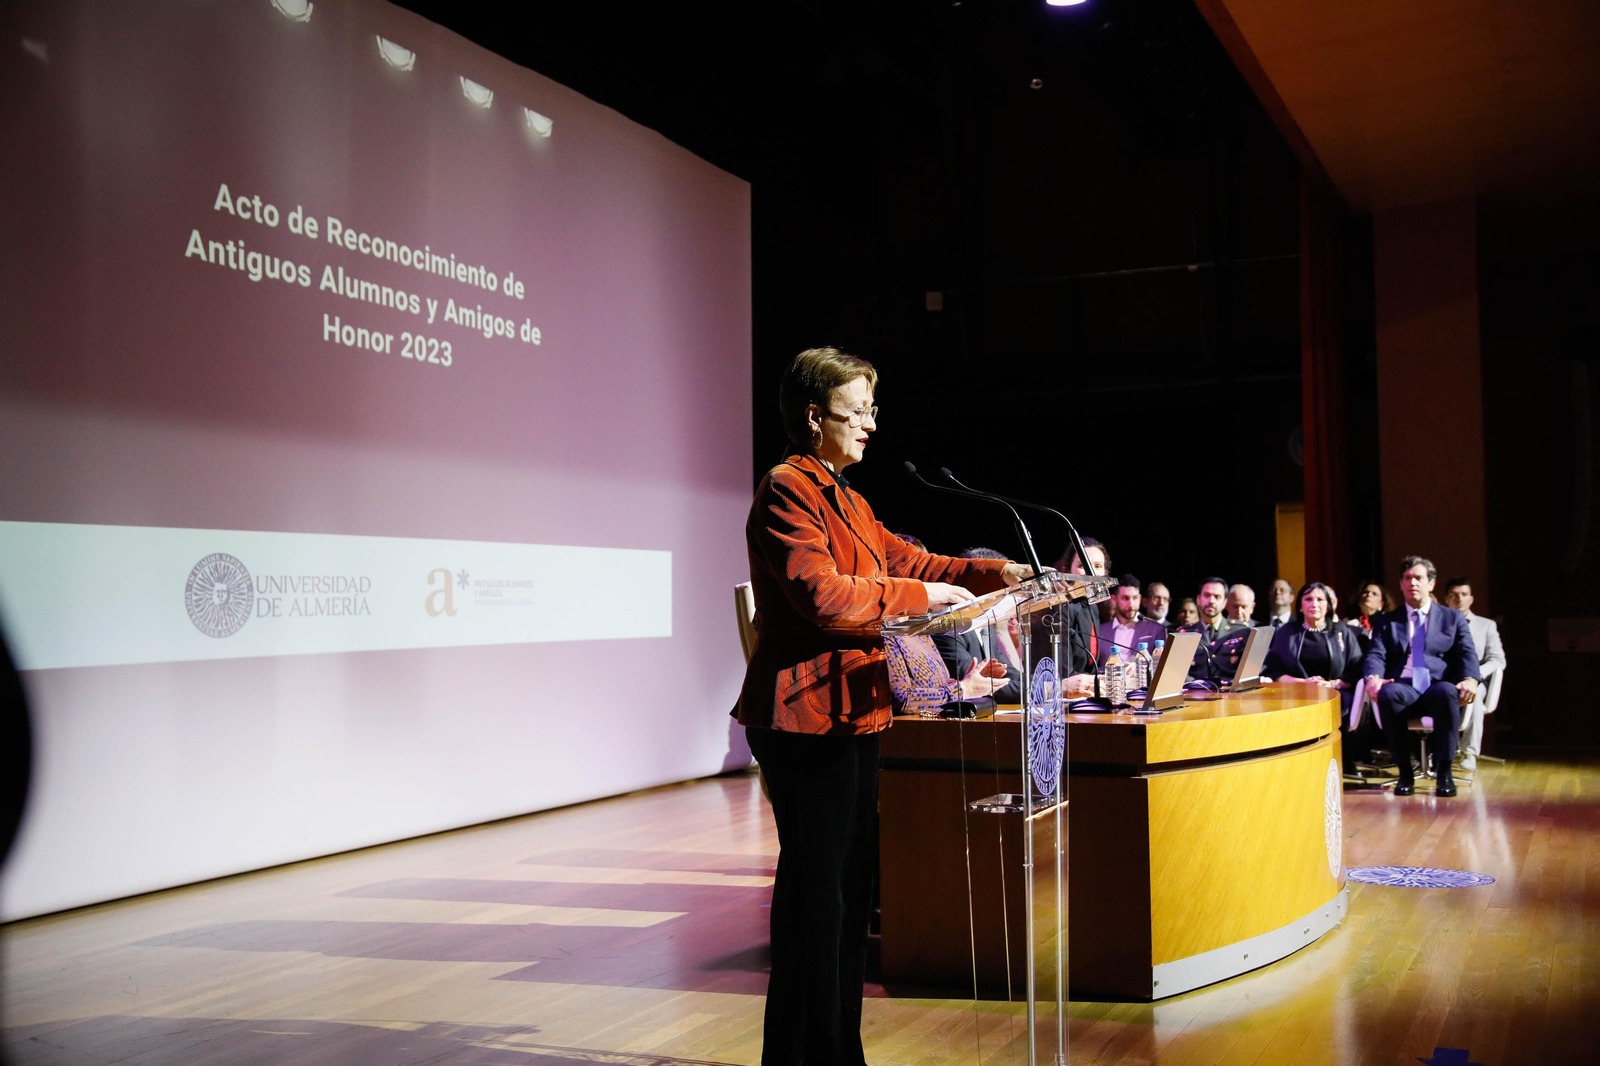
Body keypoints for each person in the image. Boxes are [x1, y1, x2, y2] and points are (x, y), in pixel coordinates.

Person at [735, 347, 1037, 1065]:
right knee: (819, 901)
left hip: (857, 711)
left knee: (846, 895)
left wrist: (1003, 572)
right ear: (815, 416)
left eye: (873, 408)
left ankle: (836, 1050)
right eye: (857, 409)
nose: (871, 423)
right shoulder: (788, 488)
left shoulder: (849, 497)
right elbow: (822, 596)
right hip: (806, 719)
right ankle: (806, 1054)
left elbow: (911, 564)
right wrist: (926, 598)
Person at [1361, 556, 1481, 798]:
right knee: (1388, 694)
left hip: (1437, 684)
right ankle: (1405, 773)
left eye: (1418, 578)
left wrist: (1471, 679)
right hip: (1403, 684)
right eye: (1407, 578)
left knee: (1447, 692)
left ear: (1431, 584)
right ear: (1401, 584)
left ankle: (1444, 772)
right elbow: (1376, 654)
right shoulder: (1386, 621)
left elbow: (1467, 652)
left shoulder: (1452, 618)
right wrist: (1373, 677)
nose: (1412, 583)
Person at [1262, 582, 1369, 772]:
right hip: (1297, 695)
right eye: (1309, 599)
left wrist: (1335, 683)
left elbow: (1357, 666)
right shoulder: (1287, 633)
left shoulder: (1341, 632)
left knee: (1339, 703)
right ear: (1300, 605)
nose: (1314, 604)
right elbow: (1272, 671)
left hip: (1336, 693)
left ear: (1328, 604)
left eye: (1320, 599)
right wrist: (1304, 683)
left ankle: (1339, 762)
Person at [932, 548, 1023, 702]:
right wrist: (1050, 689)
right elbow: (979, 685)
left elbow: (1010, 673)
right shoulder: (948, 628)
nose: (1005, 597)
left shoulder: (985, 624)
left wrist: (1050, 683)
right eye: (1000, 588)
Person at [1442, 577, 1506, 772]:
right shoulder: (1438, 623)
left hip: (1475, 679)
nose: (1459, 599)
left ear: (1471, 599)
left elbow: (1498, 660)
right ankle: (1439, 751)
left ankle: (1470, 753)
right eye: (1454, 595)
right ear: (1446, 599)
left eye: (1464, 595)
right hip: (1445, 678)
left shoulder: (1486, 626)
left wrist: (1475, 675)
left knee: (1474, 696)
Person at [1179, 577, 1248, 681]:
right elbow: (1176, 671)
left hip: (1232, 693)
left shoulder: (1241, 632)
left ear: (1225, 602)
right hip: (1195, 693)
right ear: (1198, 599)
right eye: (1207, 595)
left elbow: (1251, 670)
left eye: (1217, 597)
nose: (1211, 601)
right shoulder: (1183, 634)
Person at [1097, 575, 1167, 664]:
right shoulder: (1100, 631)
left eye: (1135, 598)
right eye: (1125, 598)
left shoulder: (1156, 629)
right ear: (1114, 599)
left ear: (1140, 599)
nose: (1131, 604)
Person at [1345, 580, 1394, 650]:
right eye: (1365, 592)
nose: (1369, 595)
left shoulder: (1387, 623)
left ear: (1381, 604)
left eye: (1374, 594)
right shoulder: (1347, 623)